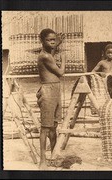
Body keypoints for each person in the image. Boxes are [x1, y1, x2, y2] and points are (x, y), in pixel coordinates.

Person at [36, 28, 66, 169]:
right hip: (47, 91)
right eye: (49, 40)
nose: (52, 42)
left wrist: (57, 44)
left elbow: (52, 50)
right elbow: (60, 72)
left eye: (54, 40)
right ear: (42, 41)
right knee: (45, 128)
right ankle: (43, 160)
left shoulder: (49, 54)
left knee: (54, 126)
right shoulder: (45, 56)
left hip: (55, 90)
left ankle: (53, 157)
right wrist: (64, 60)